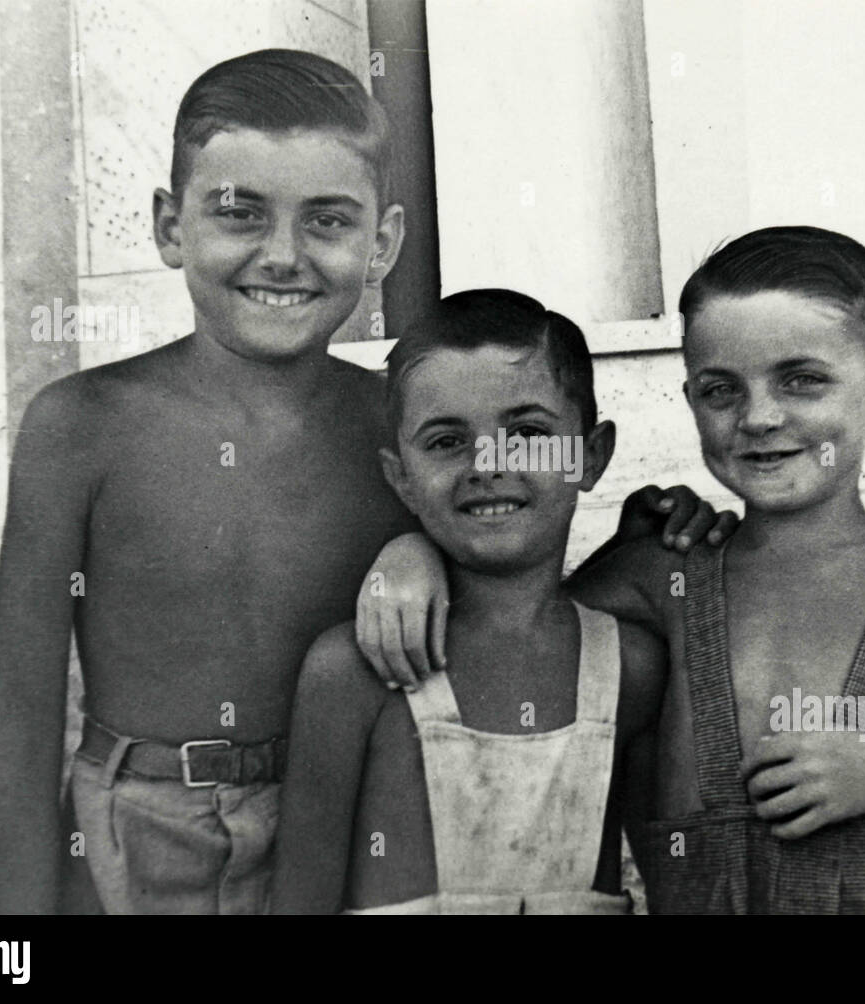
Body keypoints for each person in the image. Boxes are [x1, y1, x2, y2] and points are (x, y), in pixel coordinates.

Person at [0, 47, 722, 914]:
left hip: (352, 817)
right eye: (239, 214)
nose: (283, 256)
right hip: (136, 835)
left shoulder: (409, 430)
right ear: (170, 225)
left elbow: (507, 580)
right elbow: (19, 730)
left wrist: (419, 549)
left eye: (327, 221)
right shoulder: (80, 424)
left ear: (384, 244)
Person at [358, 226, 865, 913]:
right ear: (691, 402)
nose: (760, 416)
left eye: (801, 381)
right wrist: (411, 553)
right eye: (721, 389)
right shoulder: (661, 574)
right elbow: (508, 628)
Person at [271, 290, 667, 914]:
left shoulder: (631, 669)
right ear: (400, 476)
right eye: (447, 441)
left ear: (591, 456)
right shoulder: (353, 671)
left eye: (529, 433)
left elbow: (676, 880)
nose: (487, 464)